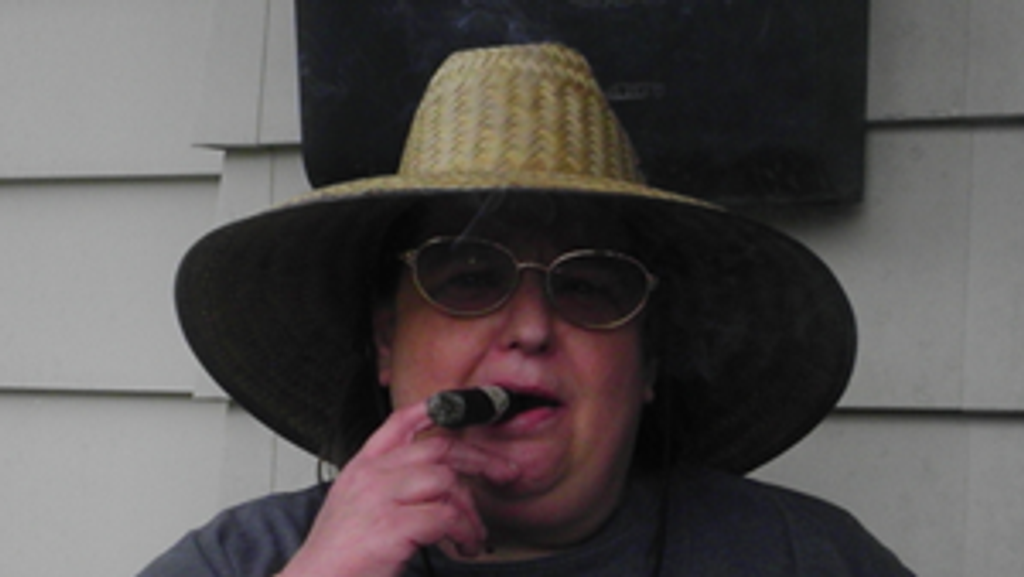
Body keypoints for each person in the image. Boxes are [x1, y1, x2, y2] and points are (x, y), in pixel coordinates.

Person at [141, 43, 914, 576]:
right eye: (470, 278)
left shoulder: (804, 559)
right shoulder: (239, 562)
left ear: (648, 359)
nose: (533, 328)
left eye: (588, 286)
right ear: (386, 338)